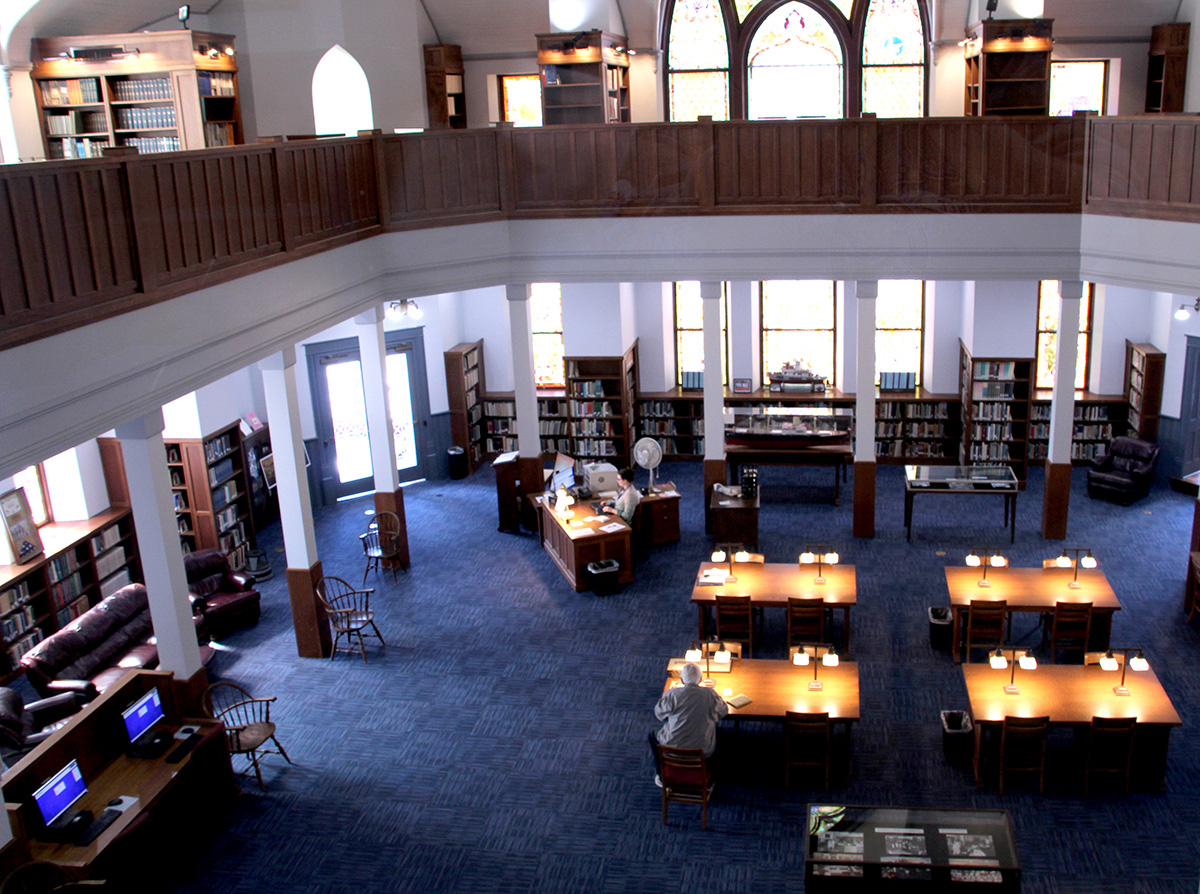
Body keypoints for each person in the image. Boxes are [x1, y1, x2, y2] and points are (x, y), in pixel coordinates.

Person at [649, 662, 728, 785]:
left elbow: (659, 714)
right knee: (722, 737)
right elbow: (723, 711)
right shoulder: (709, 693)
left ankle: (661, 774)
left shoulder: (672, 694)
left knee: (652, 735)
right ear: (700, 679)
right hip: (702, 752)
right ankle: (710, 776)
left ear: (681, 679)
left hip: (671, 750)